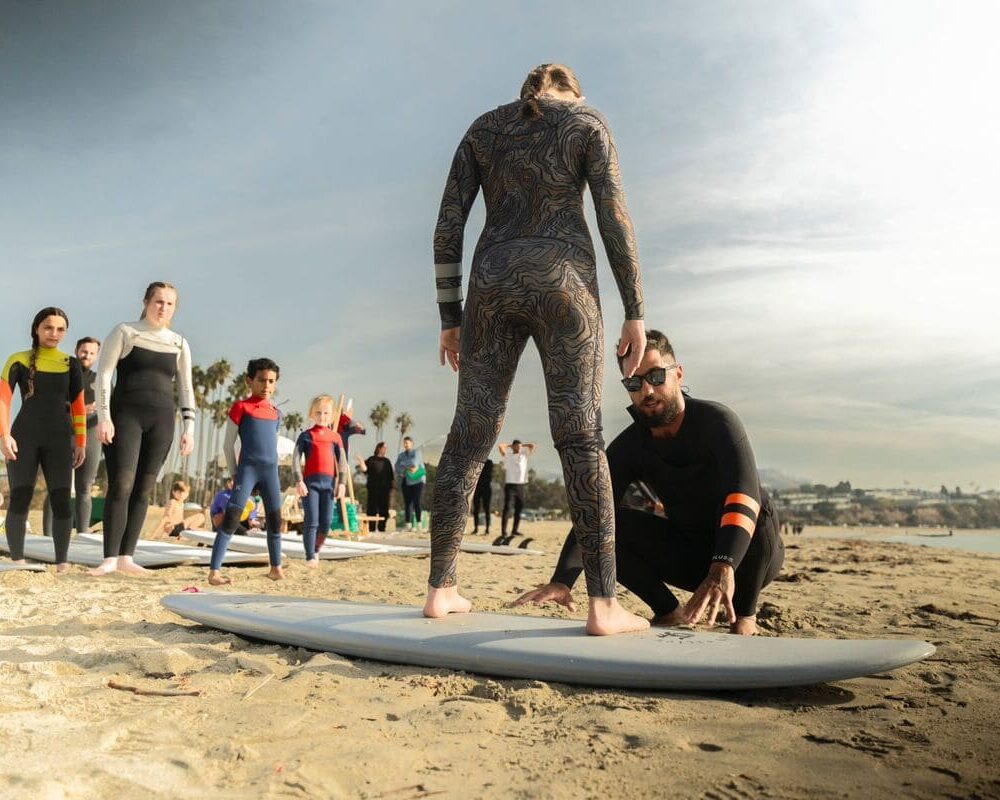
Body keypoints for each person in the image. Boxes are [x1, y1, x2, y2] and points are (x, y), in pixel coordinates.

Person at [426, 63, 648, 635]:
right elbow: (613, 218)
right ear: (570, 91)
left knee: (470, 434)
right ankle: (603, 605)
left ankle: (441, 589)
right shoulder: (586, 121)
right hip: (564, 278)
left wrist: (450, 317)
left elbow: (448, 225)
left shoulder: (484, 128)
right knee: (579, 434)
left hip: (492, 280)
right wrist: (636, 311)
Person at [515, 331, 785, 636]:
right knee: (611, 524)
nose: (647, 390)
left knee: (758, 510)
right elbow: (594, 513)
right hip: (691, 557)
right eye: (634, 382)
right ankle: (668, 611)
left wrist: (724, 565)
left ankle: (744, 618)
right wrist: (563, 579)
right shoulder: (630, 447)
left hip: (748, 556)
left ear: (678, 373)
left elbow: (743, 494)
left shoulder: (717, 422)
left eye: (656, 376)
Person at [90, 282, 195, 576]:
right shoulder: (126, 332)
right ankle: (109, 557)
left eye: (169, 303)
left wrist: (190, 427)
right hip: (125, 416)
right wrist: (104, 417)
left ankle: (127, 556)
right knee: (122, 483)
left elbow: (186, 387)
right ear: (147, 301)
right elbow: (105, 375)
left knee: (144, 488)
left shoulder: (178, 343)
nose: (163, 307)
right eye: (158, 301)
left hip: (162, 420)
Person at [0, 307, 86, 571]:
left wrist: (80, 442)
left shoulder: (70, 364)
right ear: (36, 329)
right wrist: (4, 436)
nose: (54, 333)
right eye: (48, 327)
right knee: (20, 496)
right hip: (24, 436)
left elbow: (78, 406)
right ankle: (18, 560)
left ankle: (62, 562)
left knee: (61, 498)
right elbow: (3, 400)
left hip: (59, 439)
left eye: (60, 329)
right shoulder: (18, 360)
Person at [208, 357, 284, 585]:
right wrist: (234, 473)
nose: (267, 386)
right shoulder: (241, 408)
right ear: (249, 381)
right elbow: (227, 445)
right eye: (261, 380)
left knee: (275, 519)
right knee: (231, 518)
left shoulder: (276, 413)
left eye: (271, 381)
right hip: (247, 470)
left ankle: (275, 568)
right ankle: (214, 573)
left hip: (271, 472)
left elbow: (274, 445)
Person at [42, 336, 101, 536]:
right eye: (84, 351)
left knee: (85, 488)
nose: (87, 356)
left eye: (92, 353)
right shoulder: (62, 374)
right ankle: (48, 537)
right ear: (77, 350)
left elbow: (108, 408)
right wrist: (79, 409)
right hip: (62, 433)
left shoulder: (99, 380)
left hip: (91, 434)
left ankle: (83, 536)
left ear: (97, 356)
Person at [292, 394, 347, 565]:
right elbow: (295, 458)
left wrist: (343, 483)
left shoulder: (335, 437)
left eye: (326, 413)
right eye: (318, 413)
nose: (322, 417)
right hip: (310, 485)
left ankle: (316, 549)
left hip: (329, 486)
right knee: (312, 520)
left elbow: (342, 462)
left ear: (332, 416)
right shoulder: (306, 436)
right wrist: (299, 480)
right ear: (311, 414)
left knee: (326, 523)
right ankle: (310, 555)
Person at [497, 440, 535, 539]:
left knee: (519, 509)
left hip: (521, 486)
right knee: (507, 508)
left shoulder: (524, 455)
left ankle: (514, 530)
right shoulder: (508, 455)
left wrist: (522, 445)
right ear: (513, 447)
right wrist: (510, 446)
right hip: (510, 485)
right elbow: (500, 446)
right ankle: (504, 532)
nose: (519, 448)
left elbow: (532, 445)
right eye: (516, 446)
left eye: (520, 447)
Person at [356, 441, 393, 533]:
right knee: (372, 508)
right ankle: (371, 528)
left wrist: (392, 488)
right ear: (379, 448)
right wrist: (361, 462)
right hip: (373, 488)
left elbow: (391, 476)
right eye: (384, 447)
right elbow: (365, 470)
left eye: (386, 448)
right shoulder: (371, 459)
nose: (385, 450)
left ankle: (382, 528)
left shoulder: (387, 461)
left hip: (385, 489)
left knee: (384, 509)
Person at [395, 436, 426, 531]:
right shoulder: (401, 455)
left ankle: (419, 524)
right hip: (406, 480)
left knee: (417, 502)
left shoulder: (416, 453)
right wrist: (407, 467)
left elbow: (414, 464)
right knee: (407, 503)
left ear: (412, 444)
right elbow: (397, 467)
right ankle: (408, 525)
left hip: (417, 480)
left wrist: (403, 465)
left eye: (407, 443)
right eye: (404, 443)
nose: (406, 445)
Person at [470, 457, 493, 536]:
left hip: (486, 488)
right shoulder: (476, 462)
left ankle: (487, 529)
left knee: (487, 509)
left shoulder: (489, 462)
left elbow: (488, 475)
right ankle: (476, 528)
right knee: (476, 509)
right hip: (477, 488)